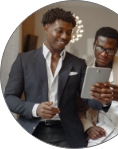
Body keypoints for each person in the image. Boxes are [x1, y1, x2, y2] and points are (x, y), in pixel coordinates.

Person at [4, 8, 111, 148]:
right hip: (31, 129)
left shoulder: (79, 64)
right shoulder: (24, 60)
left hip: (67, 133)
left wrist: (103, 101)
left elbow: (88, 98)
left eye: (69, 32)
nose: (65, 36)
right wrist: (35, 109)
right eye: (59, 31)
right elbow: (10, 98)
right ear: (46, 28)